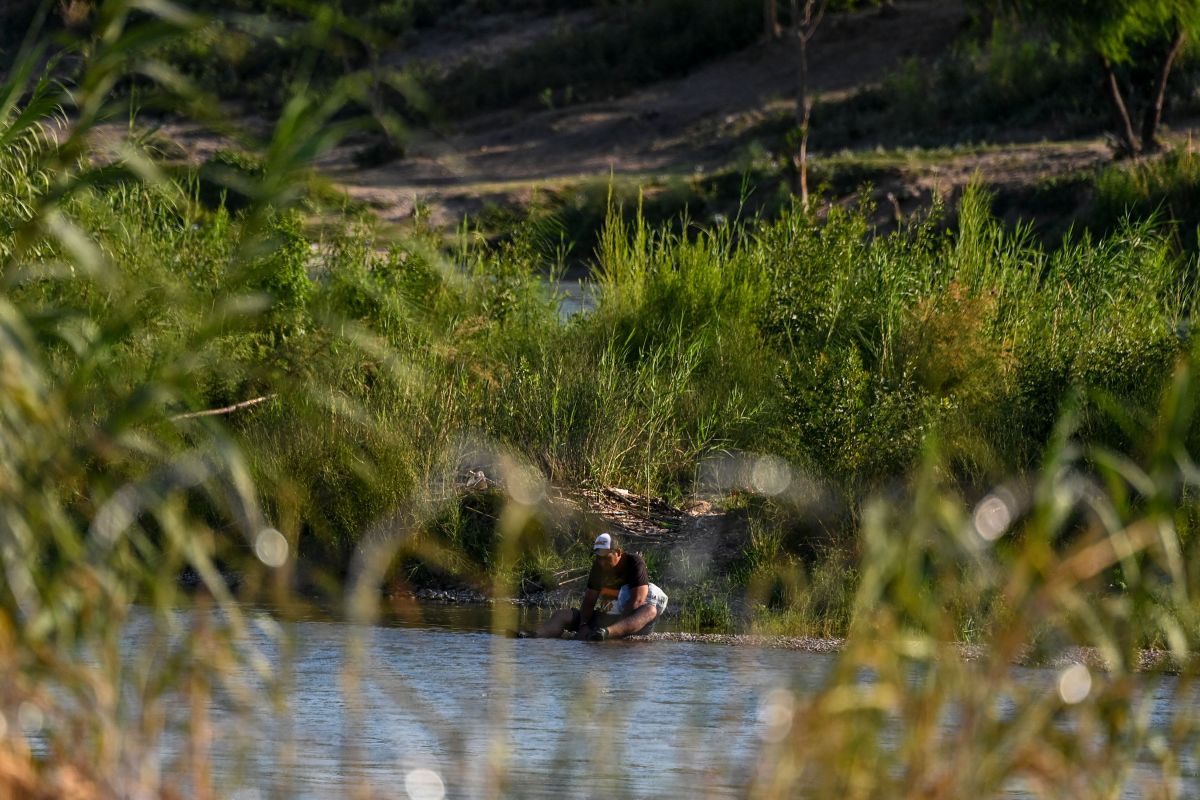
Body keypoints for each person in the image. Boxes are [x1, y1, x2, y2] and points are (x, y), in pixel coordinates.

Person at [524, 533, 668, 641]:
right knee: (562, 615)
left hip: (630, 620)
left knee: (650, 609)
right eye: (598, 558)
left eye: (606, 557)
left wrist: (613, 628)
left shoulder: (634, 563)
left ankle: (606, 633)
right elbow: (589, 600)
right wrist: (584, 625)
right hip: (605, 619)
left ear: (618, 552)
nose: (601, 562)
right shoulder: (598, 567)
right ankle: (534, 636)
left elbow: (638, 601)